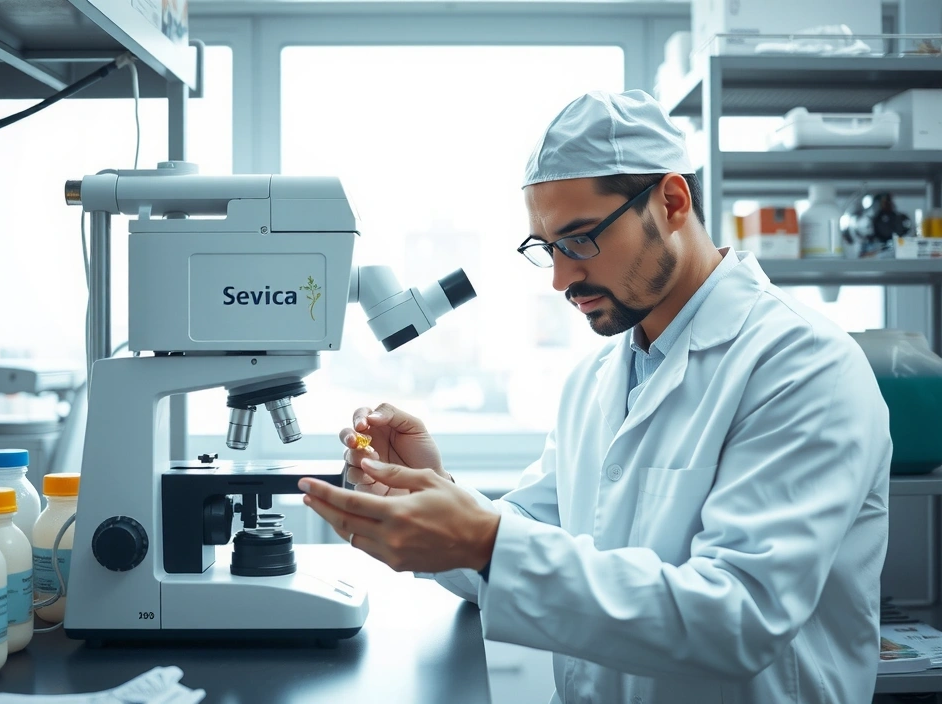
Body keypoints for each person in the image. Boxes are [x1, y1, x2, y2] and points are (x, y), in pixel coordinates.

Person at [298, 89, 891, 704]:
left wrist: (483, 539)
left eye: (580, 240)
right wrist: (432, 495)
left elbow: (739, 618)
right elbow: (529, 536)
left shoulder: (802, 367)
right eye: (546, 248)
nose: (561, 278)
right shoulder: (598, 379)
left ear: (671, 201)